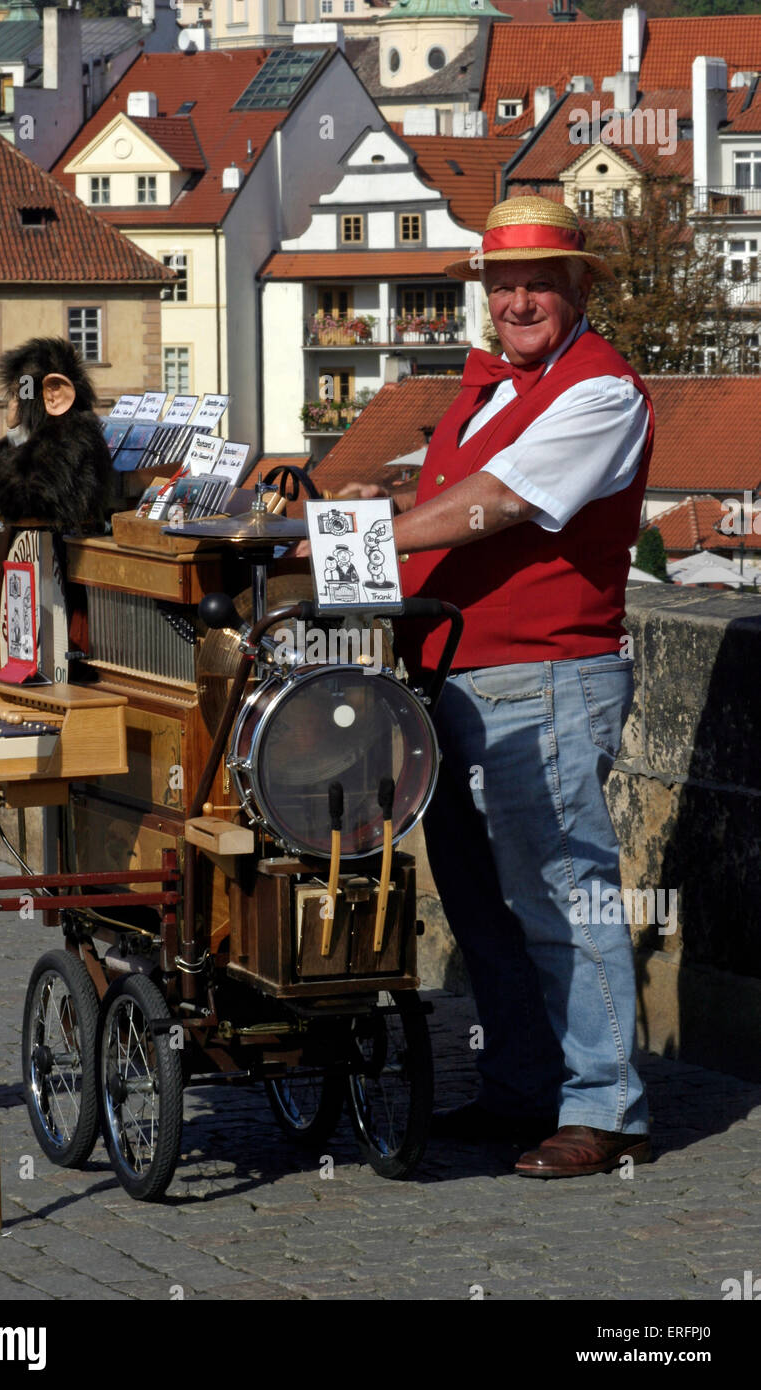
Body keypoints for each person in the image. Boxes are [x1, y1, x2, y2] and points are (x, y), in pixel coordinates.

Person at [337, 197, 655, 1178]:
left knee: (563, 892)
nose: (518, 300)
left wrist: (377, 536)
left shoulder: (600, 394)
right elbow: (451, 489)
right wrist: (380, 501)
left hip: (547, 676)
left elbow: (503, 501)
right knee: (482, 902)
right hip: (455, 675)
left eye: (539, 283)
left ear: (578, 289)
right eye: (503, 283)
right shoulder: (485, 391)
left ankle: (602, 1106)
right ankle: (524, 1086)